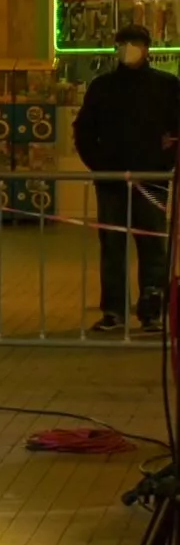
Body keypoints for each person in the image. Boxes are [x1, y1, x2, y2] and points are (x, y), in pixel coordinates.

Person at [73, 23, 180, 332]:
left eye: (135, 43)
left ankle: (152, 311)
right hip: (111, 182)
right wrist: (99, 165)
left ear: (147, 49)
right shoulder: (103, 87)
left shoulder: (167, 86)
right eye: (123, 43)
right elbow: (84, 130)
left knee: (152, 246)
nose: (129, 49)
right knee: (112, 247)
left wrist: (165, 162)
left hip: (152, 179)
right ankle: (114, 311)